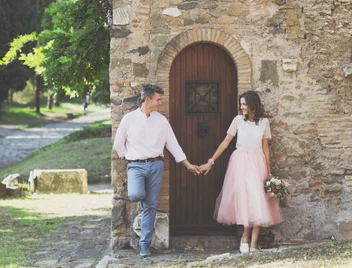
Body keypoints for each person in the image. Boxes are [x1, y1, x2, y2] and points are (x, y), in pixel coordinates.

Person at [113, 83, 201, 257]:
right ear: (147, 99)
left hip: (156, 165)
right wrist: (128, 158)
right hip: (135, 166)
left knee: (151, 207)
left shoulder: (161, 120)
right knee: (136, 195)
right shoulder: (129, 119)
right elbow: (118, 143)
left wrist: (188, 164)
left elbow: (173, 145)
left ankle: (144, 244)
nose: (160, 102)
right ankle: (142, 200)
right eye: (158, 99)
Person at [199, 90, 282, 253]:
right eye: (241, 104)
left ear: (252, 105)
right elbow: (225, 143)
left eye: (244, 104)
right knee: (245, 197)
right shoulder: (238, 120)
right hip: (240, 161)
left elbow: (266, 148)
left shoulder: (264, 122)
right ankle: (245, 236)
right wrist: (211, 161)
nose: (241, 107)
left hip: (258, 161)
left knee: (258, 199)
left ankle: (253, 243)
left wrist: (268, 171)